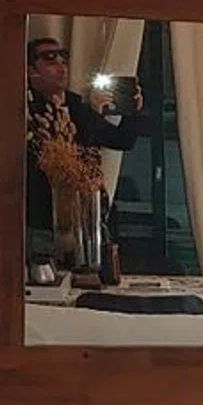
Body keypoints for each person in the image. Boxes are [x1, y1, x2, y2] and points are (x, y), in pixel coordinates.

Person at [24, 36, 142, 257]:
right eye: (50, 60)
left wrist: (131, 112)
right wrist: (93, 114)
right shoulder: (28, 108)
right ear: (31, 70)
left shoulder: (76, 104)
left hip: (85, 220)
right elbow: (55, 157)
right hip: (43, 221)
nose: (61, 67)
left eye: (64, 59)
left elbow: (122, 141)